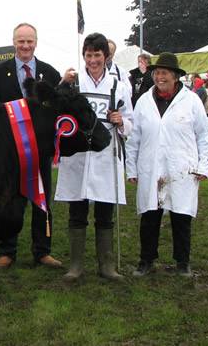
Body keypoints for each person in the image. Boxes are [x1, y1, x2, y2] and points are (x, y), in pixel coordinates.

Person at [126, 52, 208, 277]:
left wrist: (204, 166)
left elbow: (204, 136)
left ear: (175, 76)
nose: (159, 77)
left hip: (182, 168)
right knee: (149, 216)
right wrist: (132, 169)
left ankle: (182, 262)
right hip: (151, 166)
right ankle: (146, 260)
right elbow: (134, 138)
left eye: (164, 73)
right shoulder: (144, 102)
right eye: (156, 73)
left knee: (181, 216)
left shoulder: (191, 101)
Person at [55, 32, 133, 281]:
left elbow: (131, 122)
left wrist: (122, 122)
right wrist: (61, 83)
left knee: (104, 210)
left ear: (106, 56)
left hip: (105, 154)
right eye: (88, 55)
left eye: (97, 55)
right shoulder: (73, 84)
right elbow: (55, 109)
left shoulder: (119, 86)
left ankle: (106, 265)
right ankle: (76, 265)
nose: (92, 60)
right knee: (77, 208)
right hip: (78, 154)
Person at [0, 22, 63, 269]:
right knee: (9, 201)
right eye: (21, 41)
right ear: (14, 42)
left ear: (36, 42)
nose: (25, 46)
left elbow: (57, 110)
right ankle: (7, 251)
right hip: (9, 152)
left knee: (42, 201)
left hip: (40, 151)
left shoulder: (50, 73)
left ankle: (42, 251)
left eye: (29, 41)